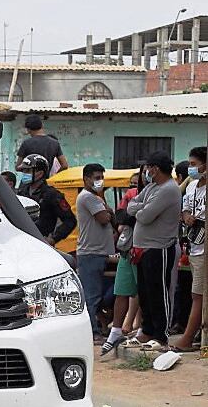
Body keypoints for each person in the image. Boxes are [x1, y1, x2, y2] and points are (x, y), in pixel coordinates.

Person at [124, 152, 183, 351]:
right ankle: (147, 330)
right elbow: (130, 206)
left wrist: (140, 209)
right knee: (145, 293)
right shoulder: (151, 187)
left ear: (156, 169)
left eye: (148, 167)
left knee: (159, 293)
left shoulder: (169, 189)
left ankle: (161, 336)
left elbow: (145, 216)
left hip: (159, 248)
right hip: (143, 248)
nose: (146, 172)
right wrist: (141, 208)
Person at [75, 163, 114, 339]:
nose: (100, 181)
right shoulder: (88, 198)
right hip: (91, 253)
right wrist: (108, 212)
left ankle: (99, 327)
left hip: (99, 253)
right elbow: (105, 218)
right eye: (97, 178)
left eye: (101, 178)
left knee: (98, 296)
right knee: (92, 297)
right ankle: (92, 332)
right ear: (86, 179)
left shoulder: (96, 198)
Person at [174, 146, 206, 352]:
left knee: (198, 295)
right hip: (194, 246)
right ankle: (197, 335)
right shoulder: (192, 186)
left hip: (204, 250)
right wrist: (186, 216)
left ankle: (187, 339)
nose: (191, 169)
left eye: (194, 164)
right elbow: (184, 207)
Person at [17, 154, 76, 246]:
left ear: (40, 173)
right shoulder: (22, 192)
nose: (24, 174)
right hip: (22, 242)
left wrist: (53, 239)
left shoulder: (52, 194)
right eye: (24, 171)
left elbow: (70, 221)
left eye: (28, 171)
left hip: (42, 244)